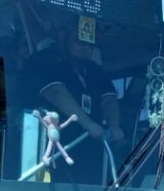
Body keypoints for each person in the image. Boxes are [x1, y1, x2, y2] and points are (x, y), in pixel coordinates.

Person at [22, 24, 125, 181]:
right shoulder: (43, 60)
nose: (86, 48)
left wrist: (114, 126)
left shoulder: (95, 70)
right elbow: (55, 91)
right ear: (62, 36)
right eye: (80, 41)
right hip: (49, 155)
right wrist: (88, 123)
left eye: (91, 44)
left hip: (88, 156)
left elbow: (109, 99)